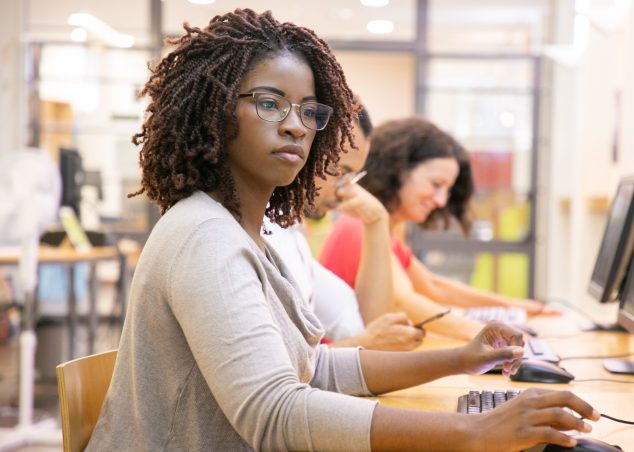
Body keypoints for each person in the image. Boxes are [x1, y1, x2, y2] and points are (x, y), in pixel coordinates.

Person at [86, 8, 599, 451]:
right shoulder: (204, 236)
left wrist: (462, 359)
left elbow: (314, 371)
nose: (295, 125)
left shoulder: (249, 236)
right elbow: (275, 414)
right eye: (269, 103)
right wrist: (473, 433)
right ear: (214, 111)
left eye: (310, 112)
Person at [319, 117, 557, 341]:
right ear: (398, 170)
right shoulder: (359, 226)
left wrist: (518, 307)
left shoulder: (385, 232)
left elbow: (433, 286)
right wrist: (486, 334)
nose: (441, 200)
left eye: (447, 190)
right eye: (436, 185)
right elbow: (402, 301)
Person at [264, 103, 424, 351]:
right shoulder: (260, 232)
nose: (345, 190)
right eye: (341, 172)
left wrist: (376, 221)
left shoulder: (290, 235)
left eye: (353, 177)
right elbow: (270, 367)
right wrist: (365, 342)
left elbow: (366, 326)